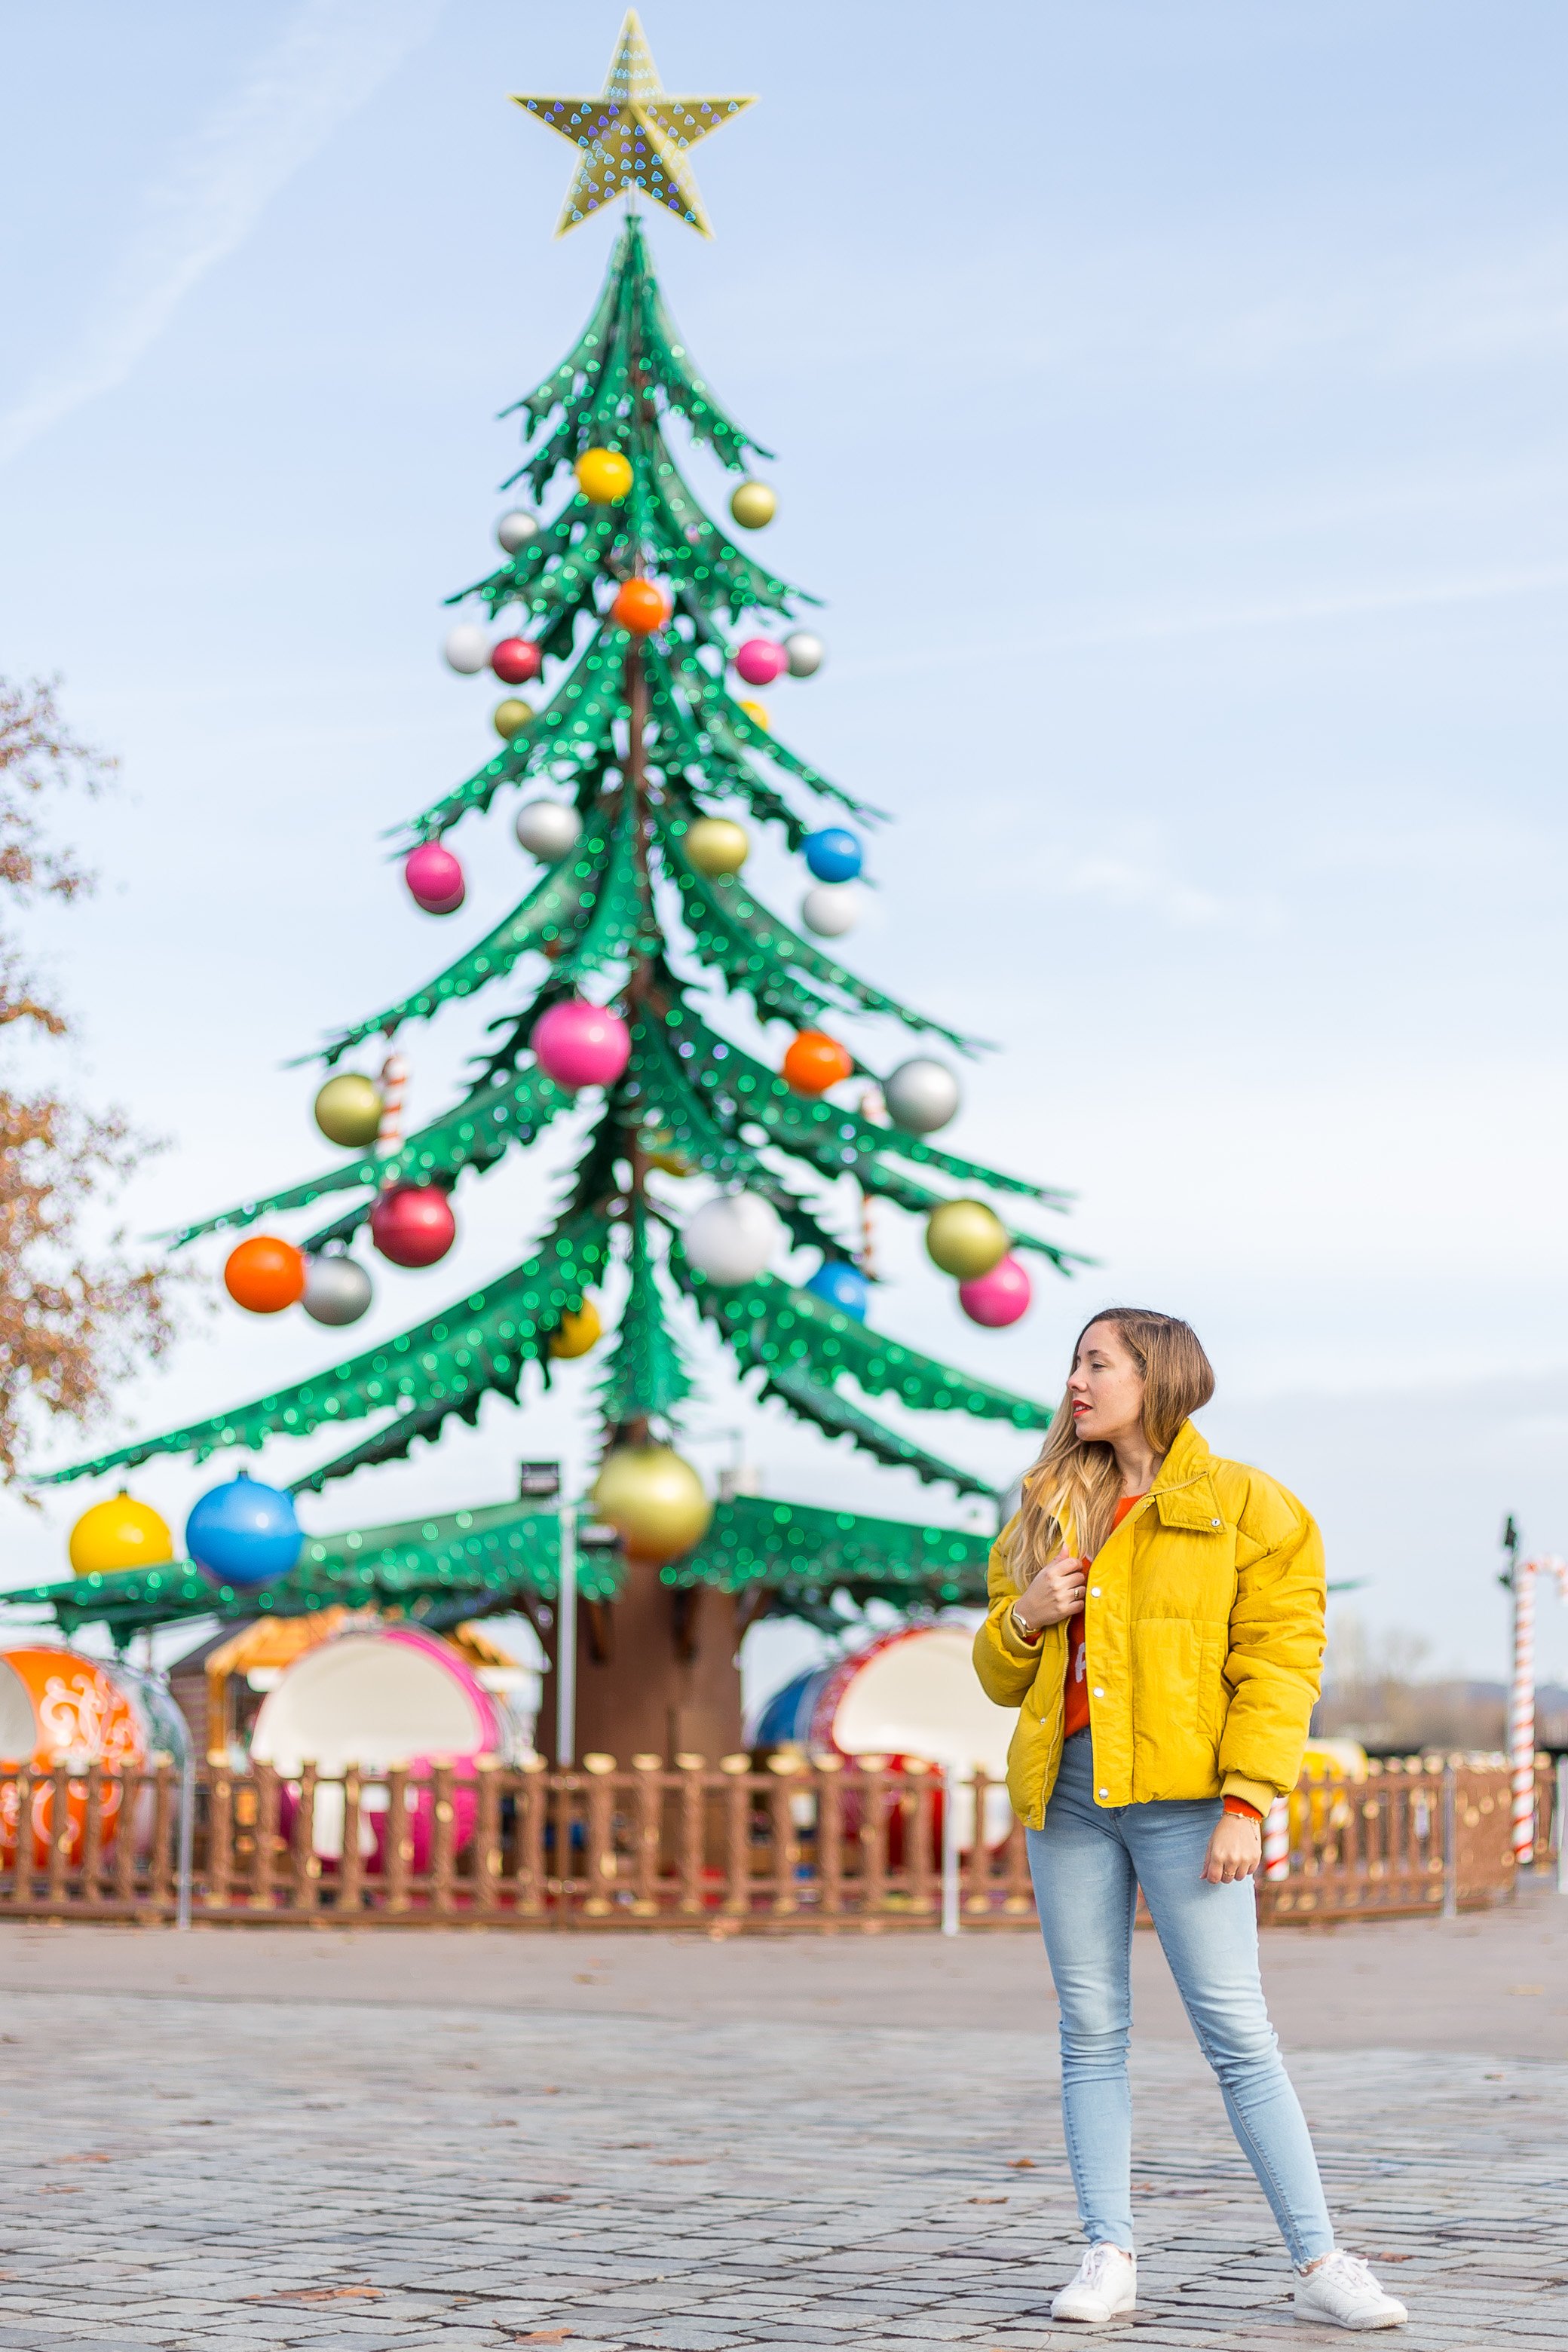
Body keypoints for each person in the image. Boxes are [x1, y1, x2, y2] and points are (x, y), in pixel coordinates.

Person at [973, 1307, 1407, 2332]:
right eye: (1075, 1363)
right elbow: (999, 1676)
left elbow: (1281, 1667)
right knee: (1091, 2028)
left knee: (1238, 2034)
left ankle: (1319, 2261)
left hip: (1189, 1805)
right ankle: (1107, 2252)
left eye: (1098, 1364)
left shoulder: (1249, 1506)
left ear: (1156, 1379)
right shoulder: (1045, 1508)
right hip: (1068, 1797)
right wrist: (1028, 1612)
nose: (1076, 1382)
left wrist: (1249, 1800)